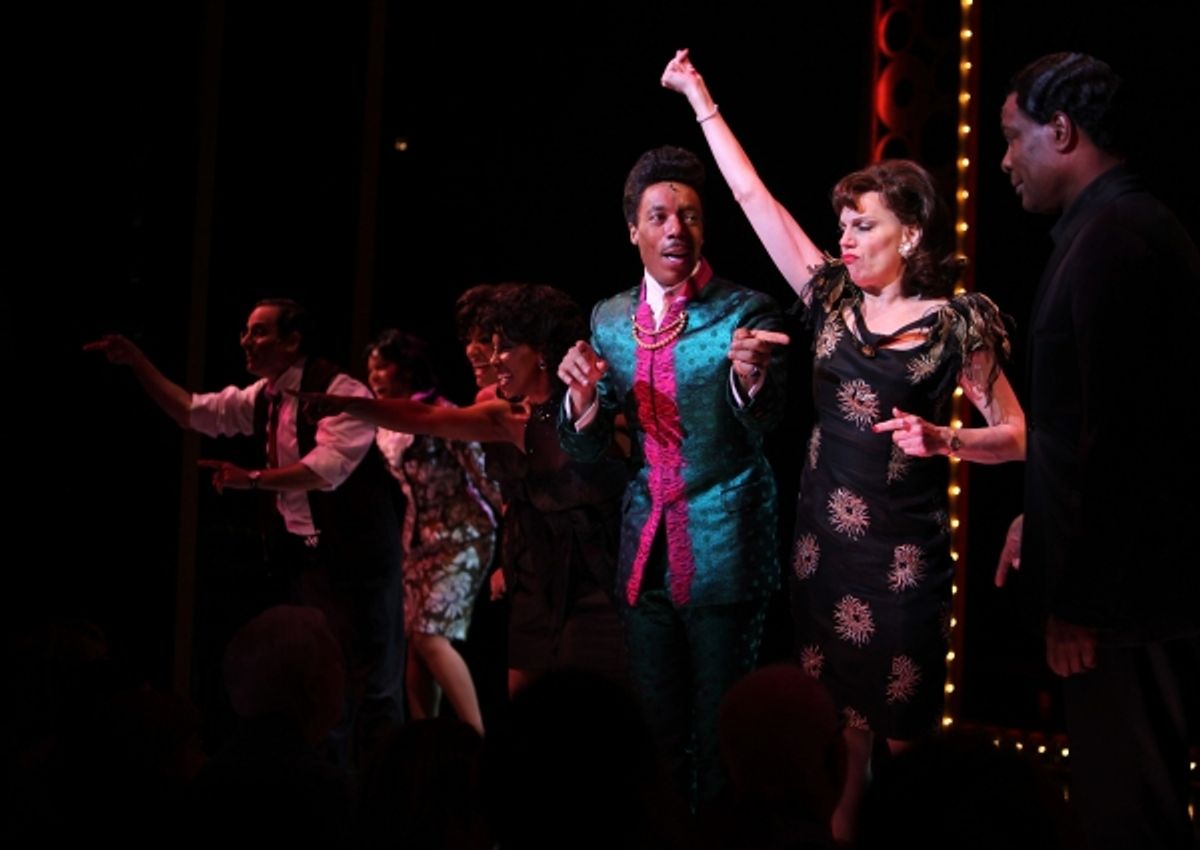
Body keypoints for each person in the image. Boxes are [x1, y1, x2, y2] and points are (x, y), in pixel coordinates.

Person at [660, 49, 1025, 839]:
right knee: (841, 736)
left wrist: (945, 438)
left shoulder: (959, 324)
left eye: (864, 226)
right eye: (843, 228)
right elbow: (752, 196)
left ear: (913, 231)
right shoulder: (828, 297)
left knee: (905, 736)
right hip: (822, 549)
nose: (847, 240)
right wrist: (699, 95)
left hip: (904, 560)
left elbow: (1019, 437)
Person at [995, 52, 1200, 850]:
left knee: (1130, 816)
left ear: (1062, 131)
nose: (1005, 160)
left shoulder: (1119, 238)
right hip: (1120, 592)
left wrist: (1081, 600)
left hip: (1126, 605)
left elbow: (1124, 442)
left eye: (1014, 138)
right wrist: (1037, 523)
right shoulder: (1107, 230)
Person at [556, 143, 790, 810]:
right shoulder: (607, 319)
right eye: (659, 216)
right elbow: (591, 448)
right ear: (633, 228)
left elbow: (768, 421)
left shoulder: (746, 313)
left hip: (726, 543)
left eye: (688, 216)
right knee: (655, 738)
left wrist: (750, 382)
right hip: (644, 550)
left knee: (725, 739)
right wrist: (579, 401)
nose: (675, 230)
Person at [85, 299, 406, 767]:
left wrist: (250, 479)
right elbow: (194, 411)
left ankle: (388, 801)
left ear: (292, 341)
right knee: (318, 684)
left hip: (358, 559)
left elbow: (324, 471)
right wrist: (138, 363)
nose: (245, 341)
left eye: (258, 332)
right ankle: (329, 792)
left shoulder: (340, 391)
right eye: (245, 332)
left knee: (373, 687)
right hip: (309, 558)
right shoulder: (264, 395)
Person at [298, 284, 628, 698]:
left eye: (502, 347)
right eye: (487, 346)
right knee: (522, 699)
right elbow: (423, 416)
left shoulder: (591, 407)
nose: (491, 359)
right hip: (533, 571)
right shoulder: (504, 414)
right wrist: (350, 406)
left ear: (541, 350)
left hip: (592, 573)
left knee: (585, 697)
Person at [366, 329, 499, 734]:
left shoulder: (442, 413)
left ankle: (475, 736)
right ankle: (424, 743)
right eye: (369, 368)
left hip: (463, 537)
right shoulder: (384, 421)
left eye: (382, 366)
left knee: (430, 638)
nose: (374, 376)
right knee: (416, 646)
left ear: (406, 368)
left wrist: (510, 547)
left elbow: (486, 476)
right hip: (418, 541)